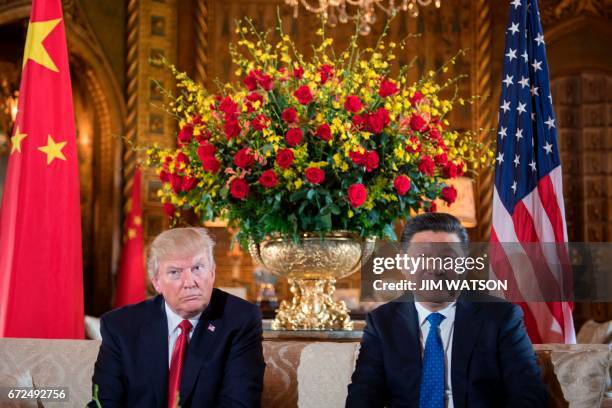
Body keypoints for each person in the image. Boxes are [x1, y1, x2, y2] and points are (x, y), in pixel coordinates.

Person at [346, 213, 547, 407]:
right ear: (403, 263)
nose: (436, 269)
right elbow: (363, 397)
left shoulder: (501, 318)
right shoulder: (382, 322)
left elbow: (529, 395)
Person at [90, 227, 265, 407]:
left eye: (197, 268)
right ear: (156, 282)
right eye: (174, 272)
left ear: (212, 272)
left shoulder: (240, 320)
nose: (190, 282)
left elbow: (239, 404)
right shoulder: (121, 326)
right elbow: (104, 402)